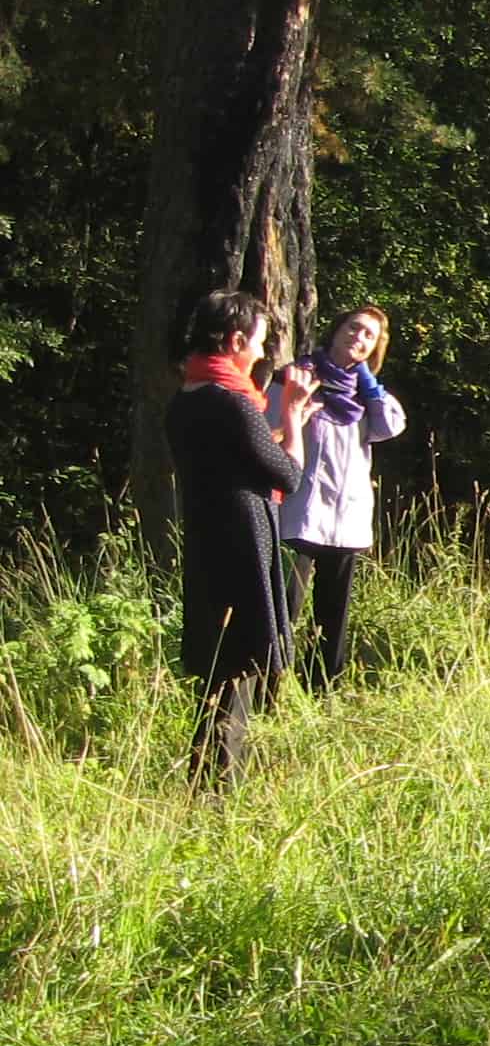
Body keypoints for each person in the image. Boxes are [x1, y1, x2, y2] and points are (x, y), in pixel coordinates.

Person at [170, 290, 305, 783]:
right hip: (244, 540)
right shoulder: (233, 403)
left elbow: (236, 459)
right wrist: (292, 415)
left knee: (219, 663)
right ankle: (217, 785)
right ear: (235, 340)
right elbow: (288, 476)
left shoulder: (186, 398)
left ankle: (208, 776)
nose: (261, 353)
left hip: (208, 540)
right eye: (259, 343)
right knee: (242, 663)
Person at [271, 302, 405, 689]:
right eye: (353, 328)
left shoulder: (366, 397)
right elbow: (267, 436)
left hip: (345, 518)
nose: (358, 338)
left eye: (369, 336)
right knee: (284, 608)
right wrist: (297, 414)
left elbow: (391, 427)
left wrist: (368, 383)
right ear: (336, 329)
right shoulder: (297, 377)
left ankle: (321, 689)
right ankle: (268, 690)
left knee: (334, 613)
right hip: (299, 511)